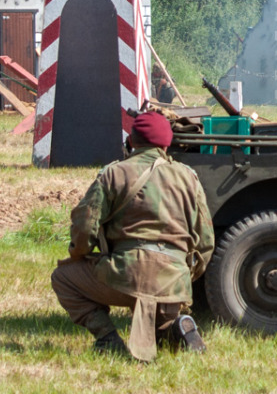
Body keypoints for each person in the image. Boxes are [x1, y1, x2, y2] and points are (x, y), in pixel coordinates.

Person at [51, 110, 216, 361]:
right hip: (173, 282)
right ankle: (179, 324)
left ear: (131, 141)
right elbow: (205, 242)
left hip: (123, 277)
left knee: (63, 278)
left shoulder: (113, 174)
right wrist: (185, 275)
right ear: (166, 144)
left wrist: (79, 255)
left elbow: (85, 227)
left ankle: (107, 338)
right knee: (162, 329)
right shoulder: (188, 177)